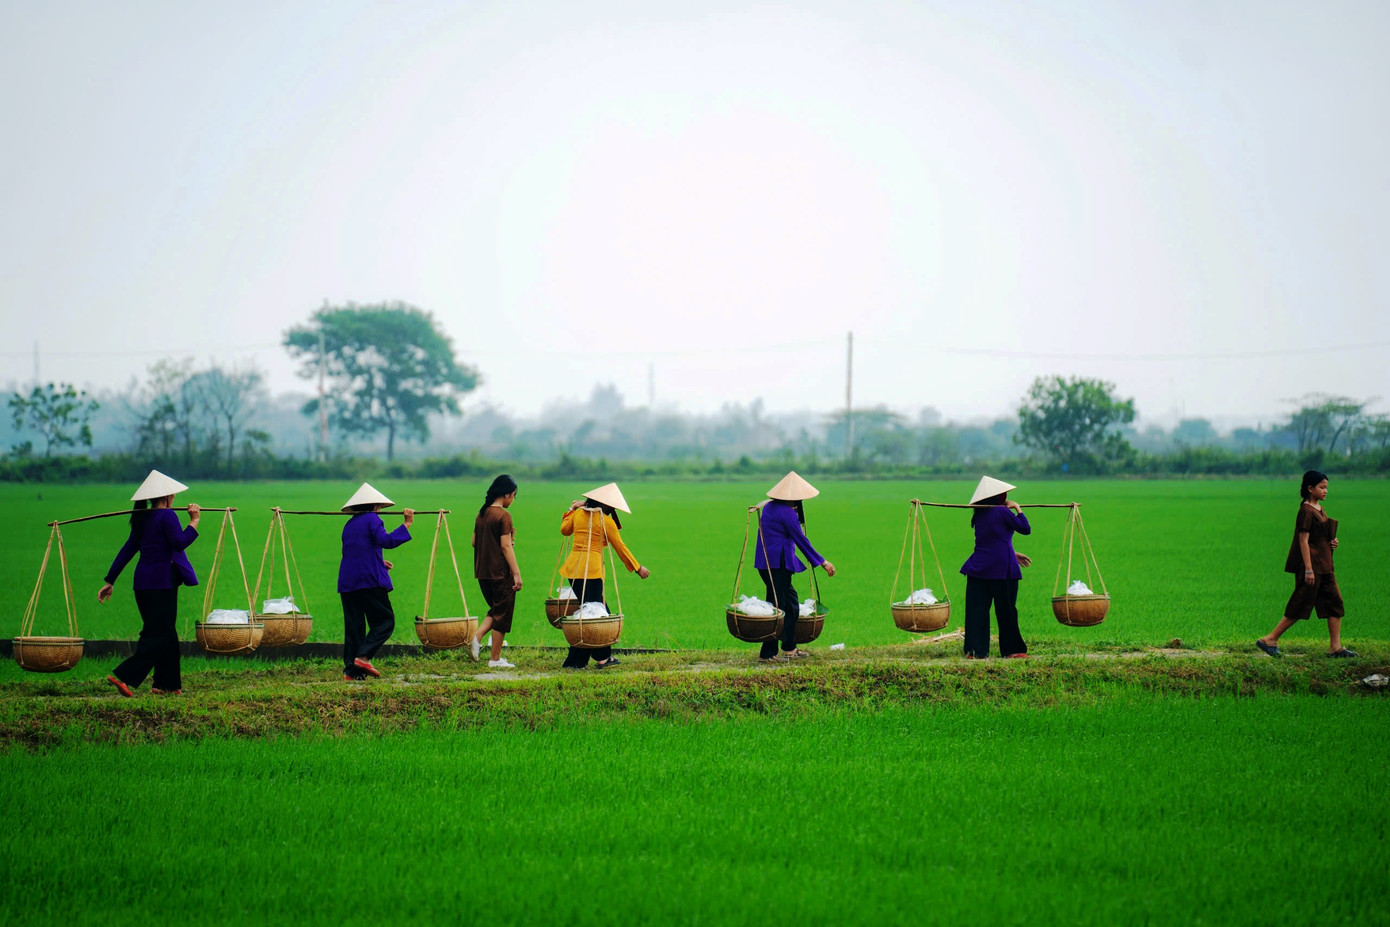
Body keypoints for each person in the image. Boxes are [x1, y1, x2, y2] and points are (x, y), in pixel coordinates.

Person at [97, 470, 201, 697]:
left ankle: (166, 684)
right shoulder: (167, 516)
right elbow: (179, 543)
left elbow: (127, 550)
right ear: (167, 496)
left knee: (165, 632)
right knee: (160, 634)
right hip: (162, 583)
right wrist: (194, 521)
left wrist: (110, 580)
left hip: (143, 584)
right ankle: (124, 676)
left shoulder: (142, 518)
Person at [1257, 470, 1357, 658]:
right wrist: (1309, 570)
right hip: (1312, 567)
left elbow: (1320, 537)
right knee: (1300, 603)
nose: (1325, 491)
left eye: (1326, 487)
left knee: (1335, 604)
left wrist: (1332, 543)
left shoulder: (1319, 508)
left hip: (1325, 566)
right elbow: (1303, 541)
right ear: (1310, 489)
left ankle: (1336, 648)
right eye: (1322, 487)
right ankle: (1269, 639)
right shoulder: (1306, 511)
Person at [558, 482, 650, 669]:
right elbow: (620, 547)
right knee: (597, 615)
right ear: (604, 505)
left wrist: (572, 508)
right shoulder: (606, 522)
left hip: (573, 570)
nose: (612, 510)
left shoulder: (577, 514)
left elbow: (564, 530)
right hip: (592, 572)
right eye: (611, 507)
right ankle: (601, 658)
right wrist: (637, 567)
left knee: (588, 613)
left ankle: (578, 661)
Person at [753, 471, 836, 663]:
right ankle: (767, 654)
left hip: (768, 564)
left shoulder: (771, 507)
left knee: (790, 605)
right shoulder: (787, 513)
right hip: (777, 564)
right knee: (778, 607)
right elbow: (801, 540)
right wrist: (823, 562)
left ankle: (789, 647)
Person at [338, 482, 414, 680]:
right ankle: (363, 657)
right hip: (368, 580)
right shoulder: (373, 519)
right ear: (373, 506)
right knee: (384, 621)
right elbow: (385, 541)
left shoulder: (349, 525)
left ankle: (352, 671)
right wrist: (406, 524)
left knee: (354, 626)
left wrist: (379, 562)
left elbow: (358, 551)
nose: (379, 509)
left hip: (348, 581)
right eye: (378, 506)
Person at [960, 475, 1032, 660]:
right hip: (1002, 569)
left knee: (977, 611)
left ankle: (975, 651)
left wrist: (1012, 553)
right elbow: (1025, 529)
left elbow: (992, 540)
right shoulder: (1002, 512)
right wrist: (1017, 508)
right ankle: (1012, 650)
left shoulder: (978, 514)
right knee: (1006, 611)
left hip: (978, 569)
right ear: (999, 497)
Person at [471, 474, 522, 669]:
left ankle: (476, 639)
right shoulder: (503, 515)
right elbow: (506, 546)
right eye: (514, 496)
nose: (513, 500)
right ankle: (495, 659)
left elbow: (474, 542)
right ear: (507, 494)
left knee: (496, 610)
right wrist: (516, 573)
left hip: (482, 572)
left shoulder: (482, 513)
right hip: (500, 572)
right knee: (502, 614)